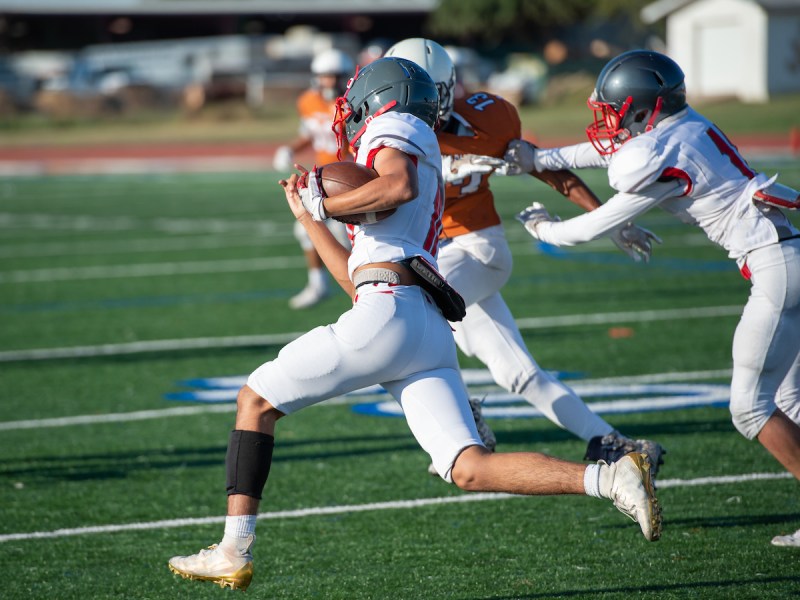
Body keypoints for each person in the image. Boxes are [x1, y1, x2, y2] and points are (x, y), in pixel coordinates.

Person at [167, 56, 662, 592]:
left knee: (254, 401)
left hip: (392, 309)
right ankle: (610, 477)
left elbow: (396, 185)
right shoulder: (408, 163)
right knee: (467, 467)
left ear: (378, 99)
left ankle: (231, 549)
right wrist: (311, 216)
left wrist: (330, 206)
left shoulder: (396, 126)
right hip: (419, 323)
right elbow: (358, 276)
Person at [510, 49, 800, 547]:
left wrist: (546, 230)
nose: (607, 122)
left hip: (777, 267)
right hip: (786, 256)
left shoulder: (662, 152)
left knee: (750, 408)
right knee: (788, 399)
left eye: (614, 112)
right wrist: (540, 159)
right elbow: (602, 152)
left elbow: (597, 224)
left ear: (645, 110)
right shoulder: (686, 128)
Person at [383, 38, 665, 475]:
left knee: (408, 309)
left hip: (476, 251)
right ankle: (612, 443)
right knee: (518, 374)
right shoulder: (381, 133)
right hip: (433, 259)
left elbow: (546, 167)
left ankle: (462, 414)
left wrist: (611, 217)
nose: (414, 104)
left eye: (425, 92)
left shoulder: (489, 117)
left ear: (446, 89)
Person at [273, 48, 354, 309]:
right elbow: (311, 132)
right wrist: (290, 149)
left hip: (349, 177)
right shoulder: (307, 100)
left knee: (346, 240)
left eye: (335, 76)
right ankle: (318, 283)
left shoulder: (354, 101)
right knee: (305, 230)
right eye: (325, 76)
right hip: (320, 176)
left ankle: (362, 291)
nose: (330, 82)